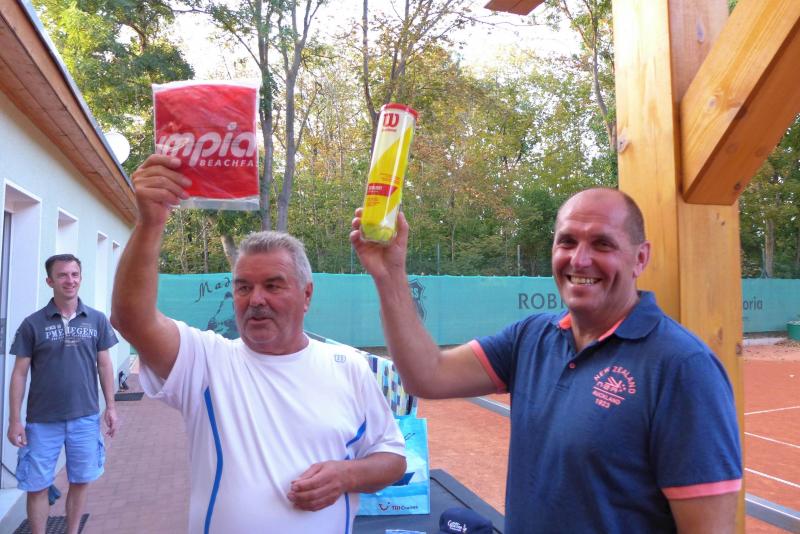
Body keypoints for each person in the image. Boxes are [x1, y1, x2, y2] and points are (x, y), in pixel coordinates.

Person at [351, 187, 742, 533]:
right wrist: (390, 274)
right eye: (567, 241)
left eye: (602, 244)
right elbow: (428, 376)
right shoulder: (532, 337)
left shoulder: (683, 367)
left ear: (640, 258)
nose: (580, 260)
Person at [111, 154, 406, 533]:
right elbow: (132, 320)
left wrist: (346, 475)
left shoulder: (348, 367)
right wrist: (150, 222)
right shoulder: (207, 361)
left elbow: (392, 457)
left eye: (273, 285)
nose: (256, 299)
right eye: (243, 287)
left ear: (307, 294)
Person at [8, 254, 119, 534]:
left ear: (80, 278)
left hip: (85, 417)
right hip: (42, 421)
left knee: (80, 481)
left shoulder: (96, 320)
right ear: (50, 281)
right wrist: (14, 420)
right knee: (37, 485)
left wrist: (111, 406)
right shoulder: (32, 324)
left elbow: (104, 365)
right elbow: (19, 373)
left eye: (74, 274)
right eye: (62, 275)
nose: (70, 280)